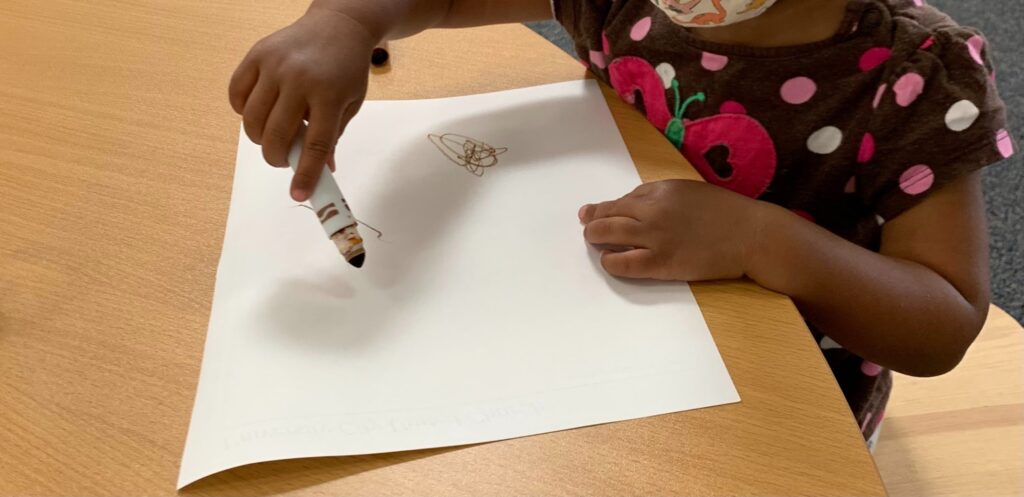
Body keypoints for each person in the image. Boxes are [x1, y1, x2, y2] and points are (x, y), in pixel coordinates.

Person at [228, 0, 1016, 448]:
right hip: (600, 342)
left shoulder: (917, 76)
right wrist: (348, 18)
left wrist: (758, 239)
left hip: (788, 392)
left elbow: (942, 321)